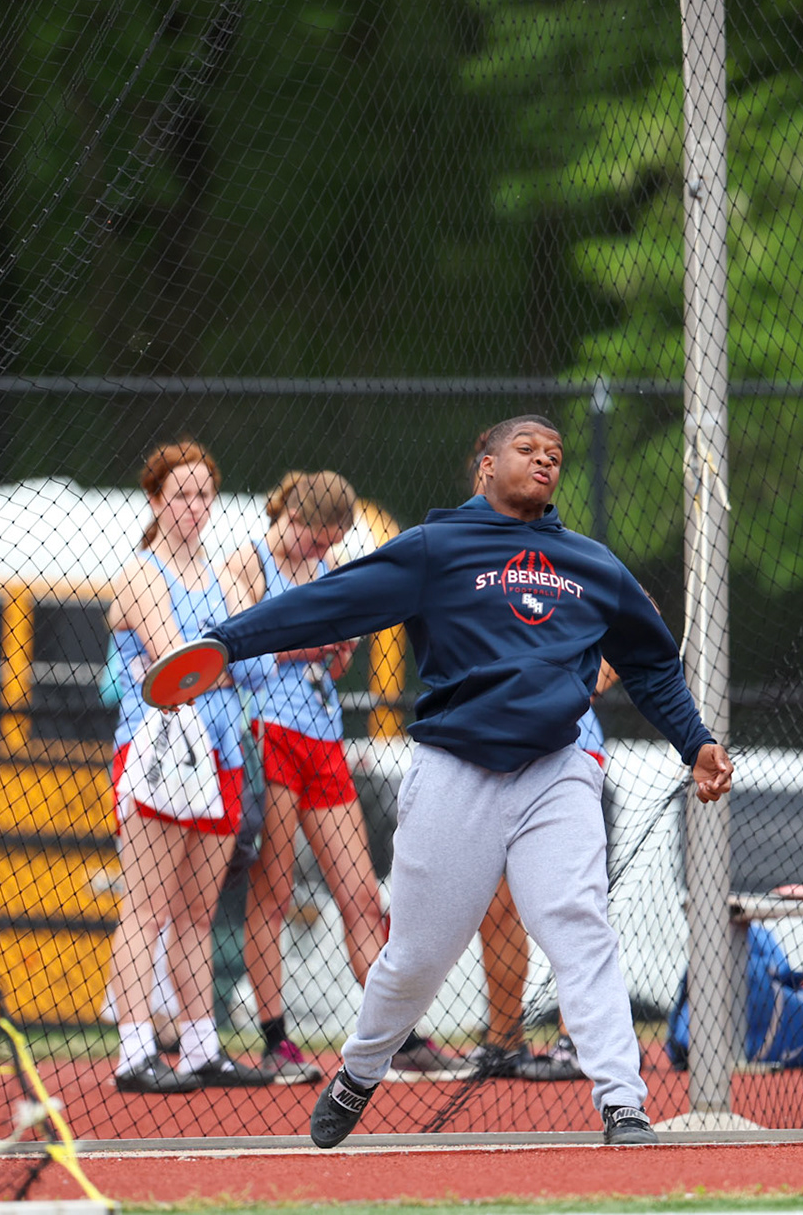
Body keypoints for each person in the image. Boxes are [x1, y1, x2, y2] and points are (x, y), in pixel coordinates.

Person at [193, 414, 734, 1148]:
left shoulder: (591, 564)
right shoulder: (436, 547)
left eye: (555, 454)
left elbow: (651, 661)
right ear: (484, 465)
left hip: (557, 767)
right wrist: (227, 642)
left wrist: (694, 742)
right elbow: (327, 602)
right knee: (418, 954)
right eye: (526, 449)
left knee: (579, 928)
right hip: (455, 770)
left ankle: (622, 1102)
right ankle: (359, 1069)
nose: (545, 460)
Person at [225, 471, 471, 1085]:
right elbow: (244, 653)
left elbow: (330, 651)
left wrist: (334, 647)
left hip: (322, 735)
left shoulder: (327, 565)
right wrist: (313, 643)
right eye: (316, 539)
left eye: (329, 542)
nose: (319, 551)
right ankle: (275, 1038)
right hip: (269, 735)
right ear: (294, 519)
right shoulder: (246, 562)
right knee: (274, 893)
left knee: (361, 893)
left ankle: (399, 1035)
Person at [103, 440, 273, 1093]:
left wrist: (215, 665)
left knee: (199, 912)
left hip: (223, 753)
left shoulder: (227, 576)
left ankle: (202, 1048)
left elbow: (251, 664)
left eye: (204, 494)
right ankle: (136, 1052)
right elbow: (179, 665)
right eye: (181, 494)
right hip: (160, 755)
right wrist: (217, 663)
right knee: (145, 908)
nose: (194, 507)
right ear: (156, 499)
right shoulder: (143, 574)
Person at [473, 671, 612, 1082]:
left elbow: (639, 624)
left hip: (573, 749)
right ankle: (506, 1041)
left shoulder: (584, 604)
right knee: (496, 908)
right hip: (507, 747)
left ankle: (579, 1041)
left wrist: (567, 681)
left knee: (568, 903)